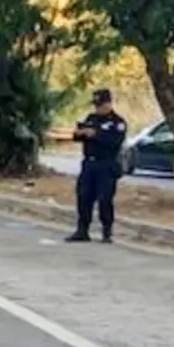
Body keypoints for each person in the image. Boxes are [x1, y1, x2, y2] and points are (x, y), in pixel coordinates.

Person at [66, 88, 127, 243]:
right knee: (83, 196)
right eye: (95, 105)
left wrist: (96, 135)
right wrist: (79, 133)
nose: (97, 108)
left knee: (105, 199)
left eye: (100, 105)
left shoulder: (117, 122)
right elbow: (78, 136)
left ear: (108, 103)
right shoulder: (91, 118)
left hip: (106, 164)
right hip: (89, 164)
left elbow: (115, 142)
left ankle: (107, 231)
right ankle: (82, 230)